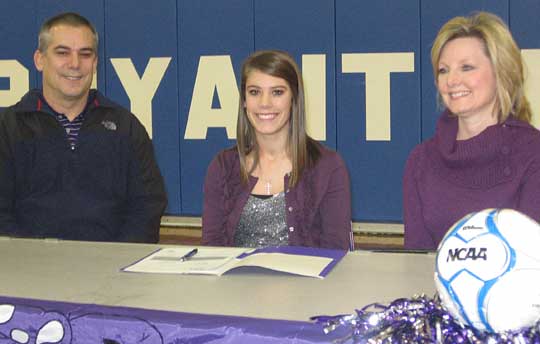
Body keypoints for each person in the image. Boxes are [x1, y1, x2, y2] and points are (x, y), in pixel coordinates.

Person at [0, 12, 167, 243]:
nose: (75, 64)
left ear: (96, 63)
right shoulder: (8, 128)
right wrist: (33, 261)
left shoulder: (126, 128)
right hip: (28, 271)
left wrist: (114, 263)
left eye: (85, 54)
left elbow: (147, 207)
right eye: (62, 53)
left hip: (111, 272)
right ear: (39, 60)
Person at [403, 12, 540, 249]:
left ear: (501, 73)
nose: (451, 80)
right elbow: (415, 259)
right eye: (443, 70)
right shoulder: (421, 160)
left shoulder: (533, 154)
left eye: (466, 67)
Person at [202, 50, 351, 250]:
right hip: (237, 281)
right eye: (254, 92)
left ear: (294, 99)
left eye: (277, 92)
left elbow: (335, 251)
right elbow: (212, 249)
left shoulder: (328, 166)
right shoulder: (222, 167)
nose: (265, 103)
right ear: (244, 101)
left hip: (308, 281)